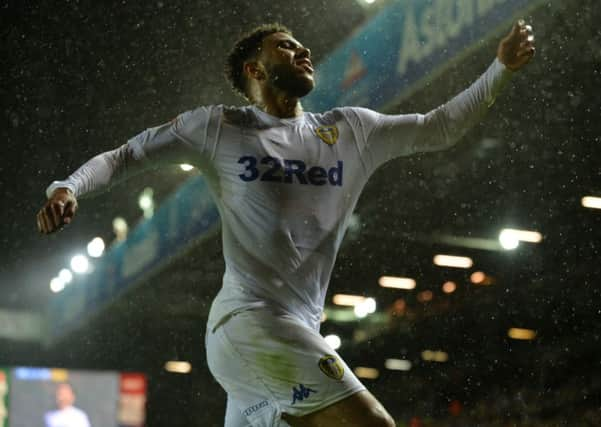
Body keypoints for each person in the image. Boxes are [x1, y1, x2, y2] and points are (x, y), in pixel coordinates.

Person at [37, 20, 535, 427]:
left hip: (284, 336)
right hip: (247, 322)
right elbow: (125, 157)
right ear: (255, 68)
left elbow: (438, 127)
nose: (303, 51)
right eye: (285, 46)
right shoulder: (219, 128)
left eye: (301, 44)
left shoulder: (350, 130)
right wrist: (67, 186)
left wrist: (501, 69)